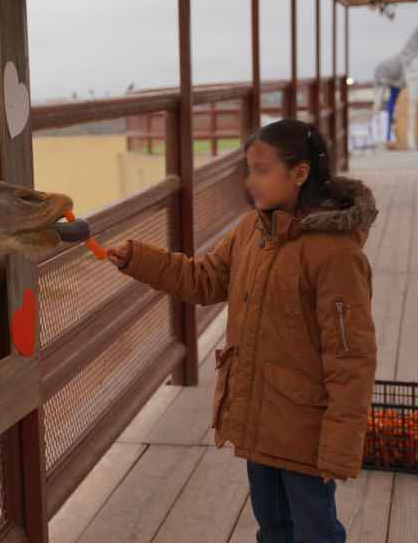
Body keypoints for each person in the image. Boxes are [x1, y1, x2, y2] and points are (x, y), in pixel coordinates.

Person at [107, 119, 378, 543]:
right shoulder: (252, 230)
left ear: (300, 173)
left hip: (306, 426)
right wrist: (137, 260)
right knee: (272, 527)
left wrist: (341, 444)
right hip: (258, 413)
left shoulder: (335, 255)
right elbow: (204, 279)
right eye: (248, 169)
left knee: (316, 531)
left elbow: (350, 356)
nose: (251, 181)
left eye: (261, 169)